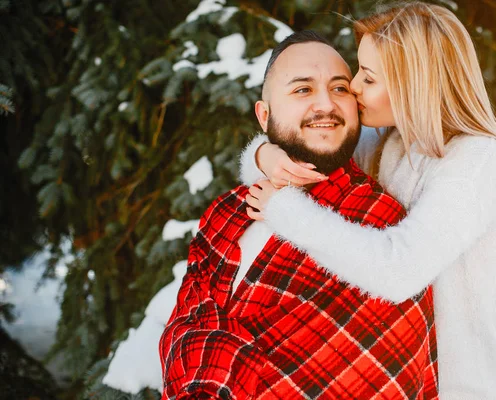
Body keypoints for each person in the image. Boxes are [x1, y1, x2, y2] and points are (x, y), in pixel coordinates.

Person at [240, 3, 496, 400]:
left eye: (369, 77)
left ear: (415, 83)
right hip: (394, 382)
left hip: (460, 389)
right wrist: (264, 155)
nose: (354, 86)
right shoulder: (391, 143)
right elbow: (308, 145)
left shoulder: (475, 161)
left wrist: (285, 210)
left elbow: (398, 270)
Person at [159, 30, 438, 400]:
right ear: (264, 115)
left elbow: (364, 379)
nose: (326, 105)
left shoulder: (381, 226)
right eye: (303, 90)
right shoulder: (227, 213)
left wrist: (215, 349)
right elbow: (180, 331)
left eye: (340, 88)